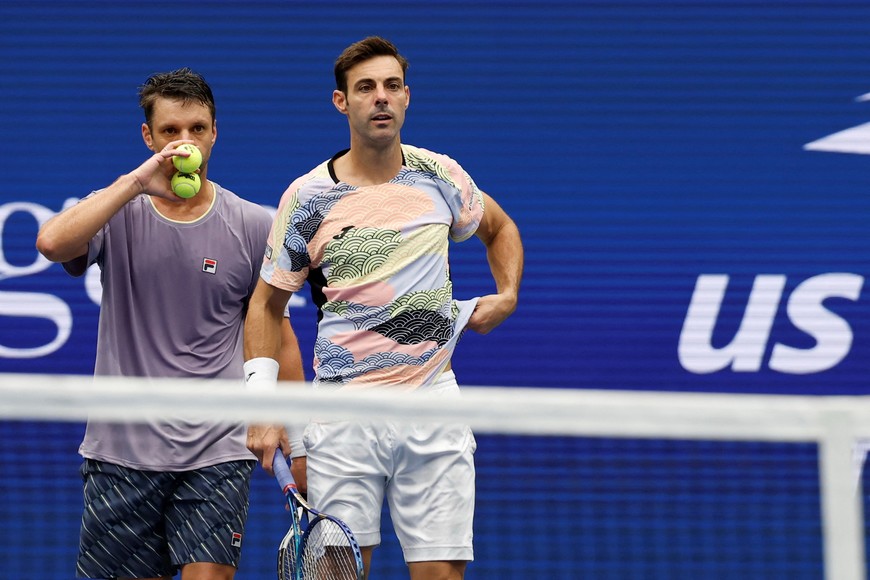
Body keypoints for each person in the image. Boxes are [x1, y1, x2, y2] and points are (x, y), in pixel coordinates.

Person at [244, 37, 524, 579]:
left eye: (391, 87)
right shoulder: (306, 198)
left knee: (441, 573)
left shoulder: (441, 176)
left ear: (407, 97)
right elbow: (265, 305)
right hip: (344, 410)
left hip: (433, 400)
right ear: (341, 102)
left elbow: (499, 228)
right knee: (338, 574)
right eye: (366, 88)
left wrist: (507, 294)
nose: (381, 99)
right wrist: (261, 404)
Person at [35, 67, 303, 580]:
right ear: (148, 137)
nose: (186, 144)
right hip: (121, 451)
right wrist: (137, 182)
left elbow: (275, 329)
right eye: (170, 132)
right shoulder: (116, 210)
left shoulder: (251, 225)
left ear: (215, 133)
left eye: (197, 129)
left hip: (216, 450)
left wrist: (296, 430)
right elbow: (50, 244)